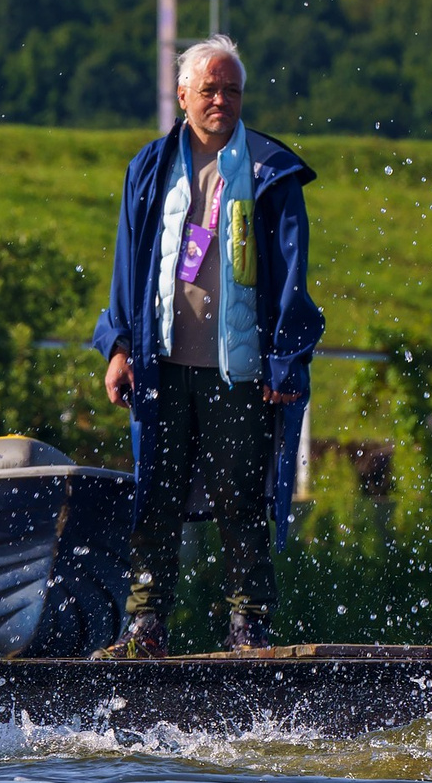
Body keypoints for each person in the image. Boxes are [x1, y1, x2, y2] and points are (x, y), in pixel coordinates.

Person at [90, 35, 325, 657]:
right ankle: (145, 628)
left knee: (241, 499)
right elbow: (125, 266)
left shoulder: (272, 172)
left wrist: (285, 359)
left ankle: (248, 628)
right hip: (163, 368)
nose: (221, 100)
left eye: (232, 90)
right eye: (209, 89)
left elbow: (292, 272)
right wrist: (117, 347)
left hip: (240, 373)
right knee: (155, 495)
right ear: (182, 95)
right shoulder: (149, 168)